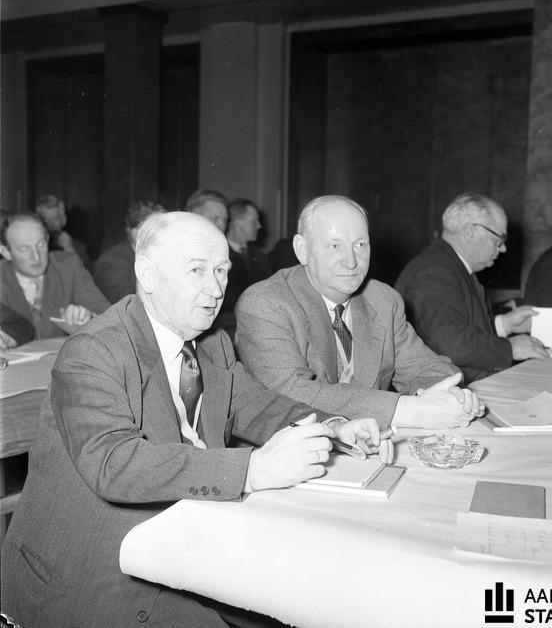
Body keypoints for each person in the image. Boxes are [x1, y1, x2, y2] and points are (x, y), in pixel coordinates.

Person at [0, 211, 389, 628]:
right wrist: (253, 470)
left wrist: (333, 426)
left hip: (184, 539)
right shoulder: (94, 350)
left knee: (320, 594)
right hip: (95, 569)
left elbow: (257, 404)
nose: (216, 289)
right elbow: (114, 464)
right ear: (147, 275)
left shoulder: (212, 343)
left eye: (221, 271)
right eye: (197, 270)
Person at [235, 194, 483, 429]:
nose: (351, 261)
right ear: (302, 249)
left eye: (360, 244)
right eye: (335, 246)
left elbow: (423, 367)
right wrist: (407, 410)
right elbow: (291, 393)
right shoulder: (265, 303)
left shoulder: (382, 300)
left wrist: (450, 393)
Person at [395, 192, 549, 383]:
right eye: (499, 240)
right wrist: (510, 348)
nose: (503, 249)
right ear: (470, 232)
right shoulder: (433, 272)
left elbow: (456, 329)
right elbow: (454, 344)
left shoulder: (449, 266)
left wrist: (505, 324)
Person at [0, 212, 110, 340]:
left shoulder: (68, 267)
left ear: (47, 239)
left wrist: (88, 318)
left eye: (41, 244)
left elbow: (109, 318)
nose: (36, 257)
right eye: (24, 249)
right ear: (5, 252)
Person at [216, 198, 272, 335]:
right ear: (236, 223)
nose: (259, 226)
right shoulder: (219, 256)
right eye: (254, 221)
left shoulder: (260, 257)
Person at [94, 200, 166, 302]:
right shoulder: (111, 262)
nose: (166, 234)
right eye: (158, 229)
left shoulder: (167, 257)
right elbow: (130, 304)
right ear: (136, 233)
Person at [35, 194, 92, 270]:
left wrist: (69, 248)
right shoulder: (35, 245)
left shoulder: (77, 245)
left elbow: (87, 273)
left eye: (56, 218)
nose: (50, 224)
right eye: (45, 220)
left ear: (64, 218)